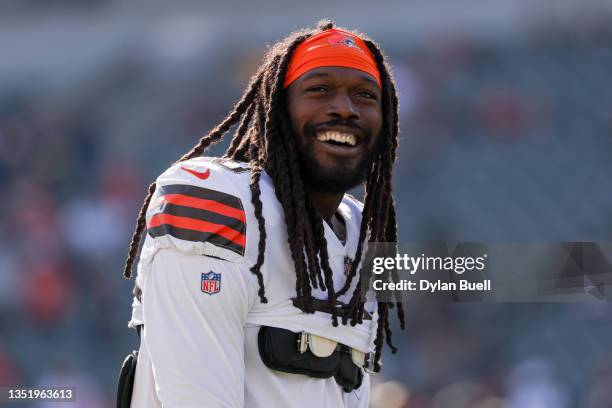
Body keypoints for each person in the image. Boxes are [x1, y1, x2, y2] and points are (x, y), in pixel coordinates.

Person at [120, 20, 404, 408]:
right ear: (277, 111)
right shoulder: (219, 198)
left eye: (365, 96)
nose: (344, 108)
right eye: (319, 89)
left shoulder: (361, 232)